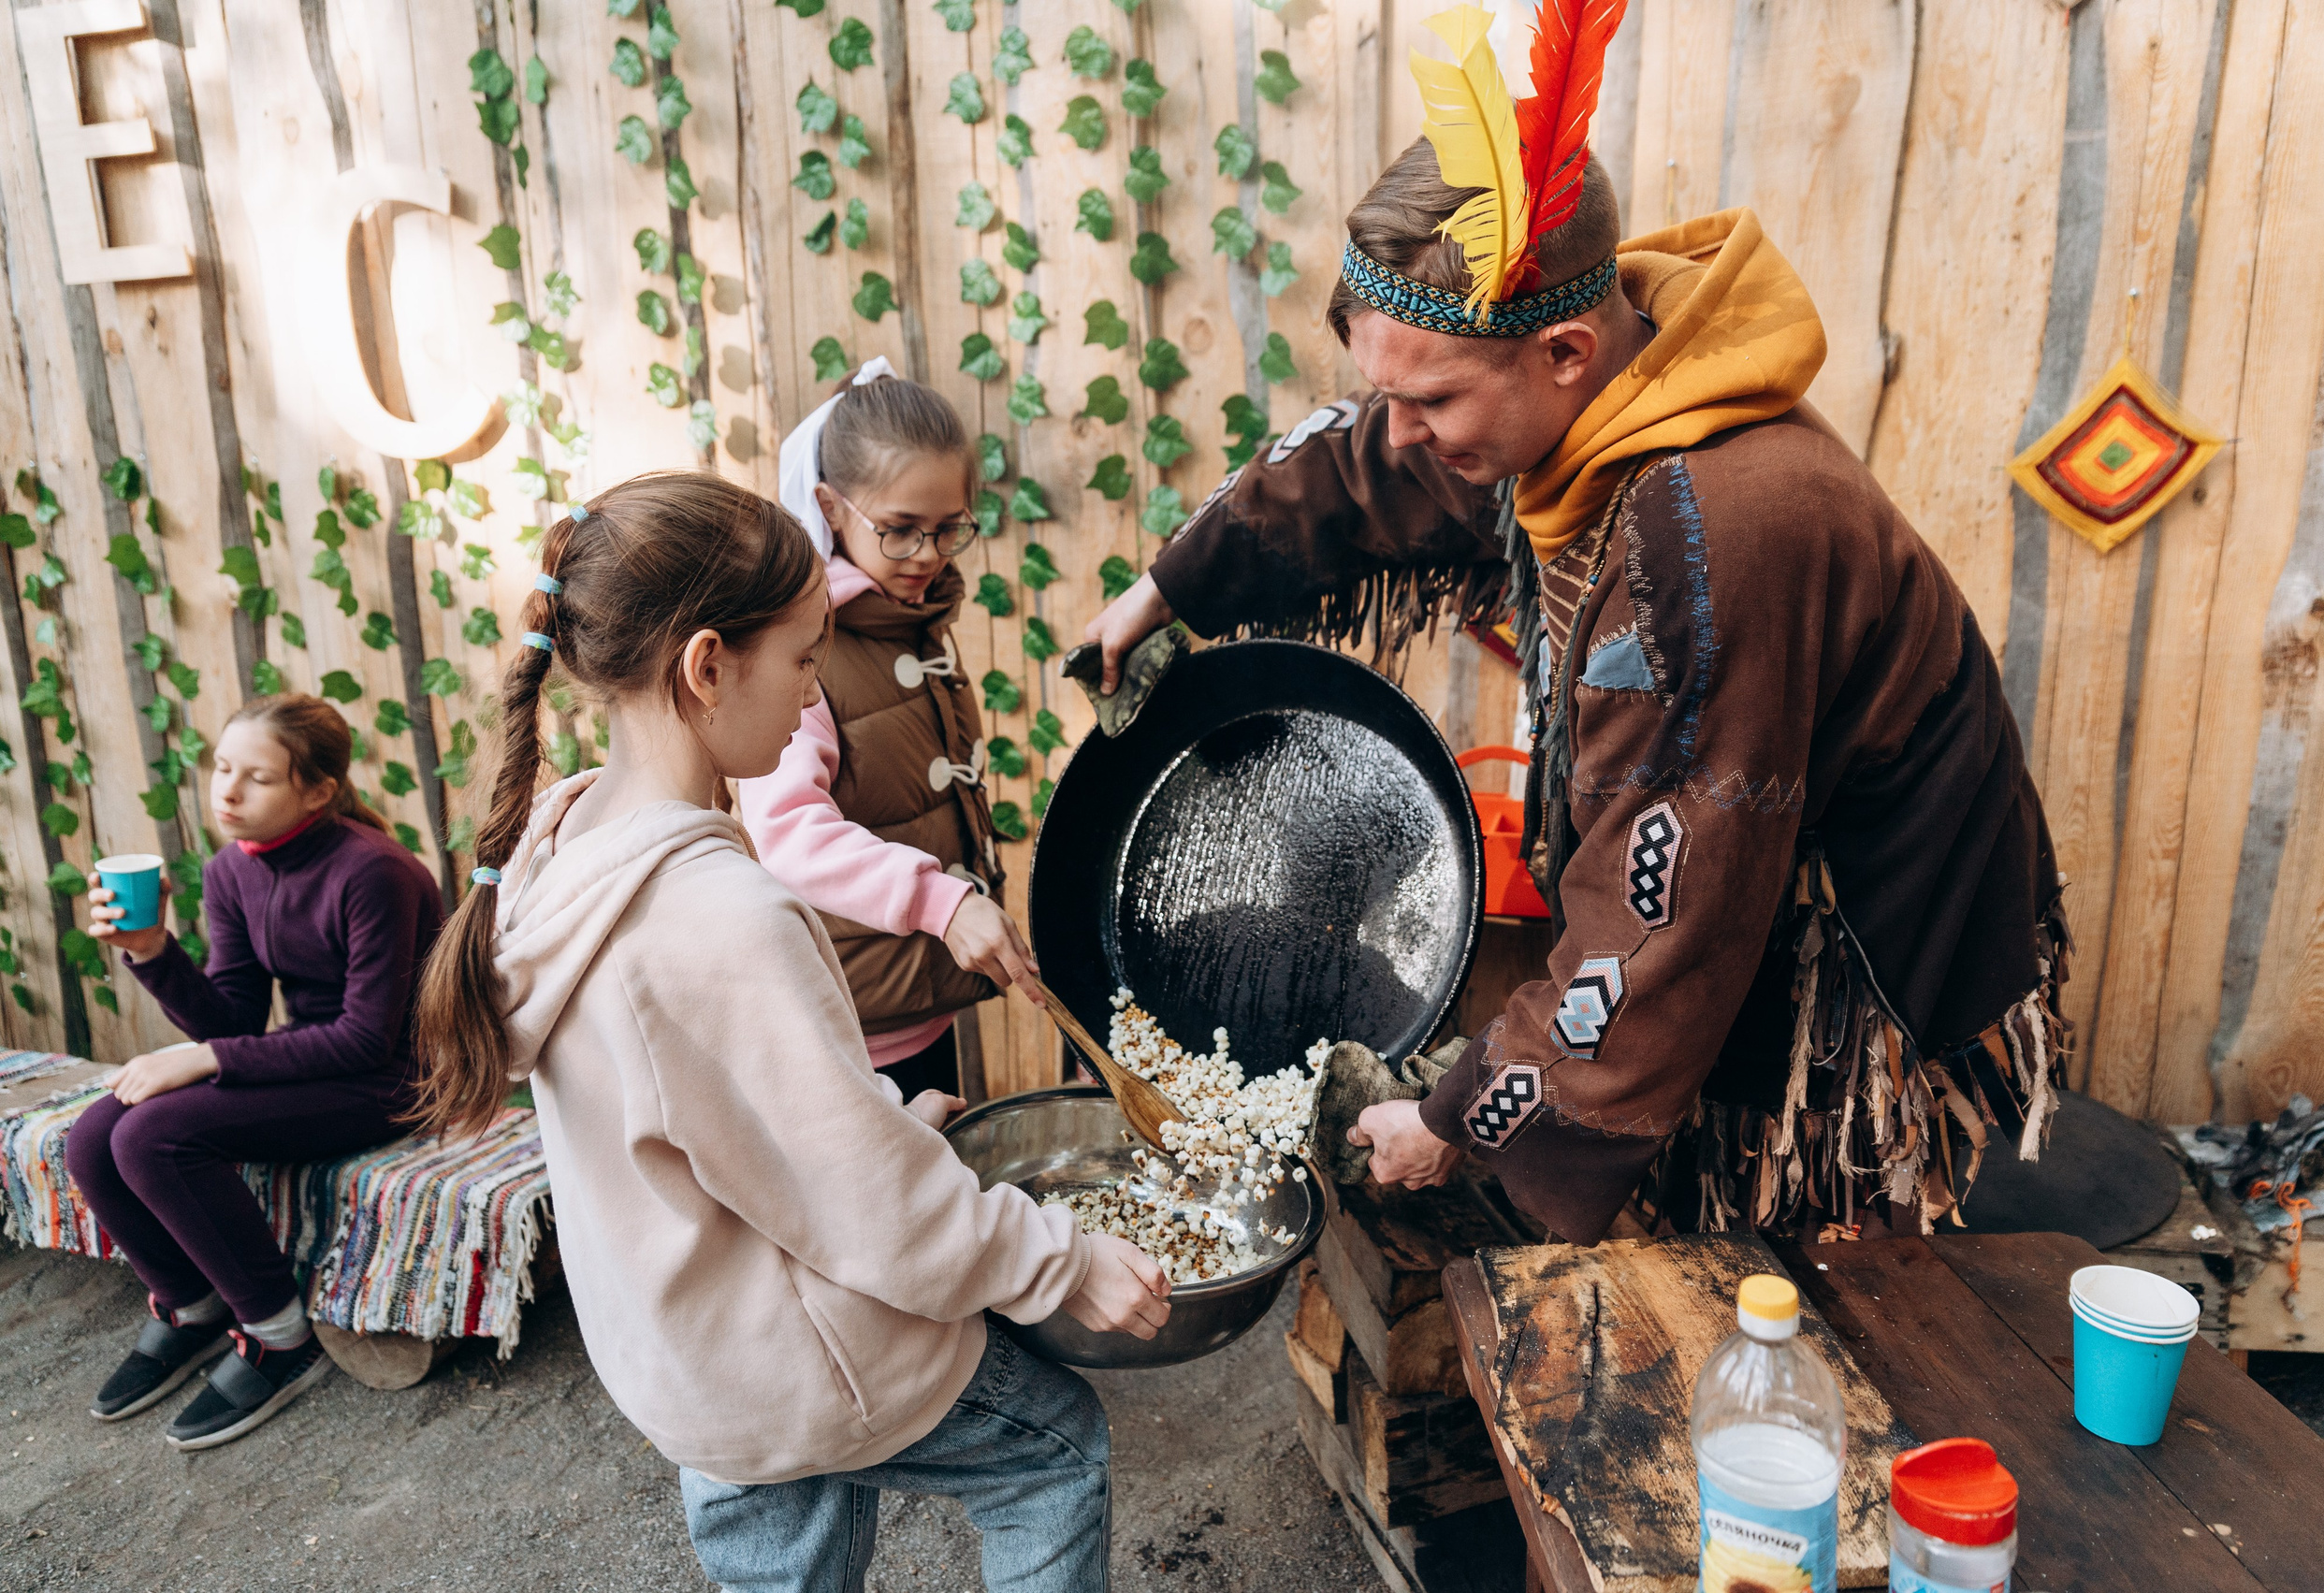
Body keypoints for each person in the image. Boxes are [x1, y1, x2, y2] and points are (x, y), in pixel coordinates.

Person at [1085, 16, 2069, 1248]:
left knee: (1795, 1262)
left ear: (1562, 351)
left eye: (1429, 397)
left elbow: (1664, 907)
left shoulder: (1718, 538)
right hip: (1733, 849)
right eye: (1392, 390)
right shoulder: (1584, 396)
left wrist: (1460, 1115)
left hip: (1856, 932)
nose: (1401, 432)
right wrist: (1164, 588)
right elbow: (1362, 464)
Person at [411, 472, 1168, 1592]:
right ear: (708, 666)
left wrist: (881, 1116)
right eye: (805, 658)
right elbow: (874, 1209)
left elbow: (717, 1121)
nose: (814, 689)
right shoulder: (720, 913)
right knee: (1050, 1454)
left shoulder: (560, 841)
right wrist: (1060, 1262)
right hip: (796, 1356)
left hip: (691, 1362)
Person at [70, 694, 445, 1447]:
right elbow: (235, 1020)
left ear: (317, 790)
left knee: (153, 1136)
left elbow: (367, 1040)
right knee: (92, 1135)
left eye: (258, 778)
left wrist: (204, 1060)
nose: (228, 792)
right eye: (222, 769)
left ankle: (279, 1335)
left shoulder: (376, 873)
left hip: (392, 1081)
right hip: (311, 1063)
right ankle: (190, 1302)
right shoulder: (230, 871)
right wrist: (151, 950)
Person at [745, 357, 1039, 1104]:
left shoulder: (910, 620)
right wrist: (941, 902)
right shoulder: (806, 647)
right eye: (901, 531)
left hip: (917, 996)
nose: (930, 556)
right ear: (830, 507)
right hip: (849, 1021)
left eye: (950, 530)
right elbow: (788, 832)